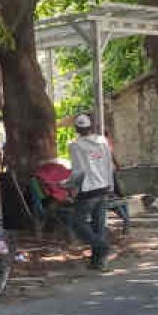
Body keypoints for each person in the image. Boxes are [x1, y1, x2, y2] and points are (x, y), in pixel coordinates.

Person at [64, 113, 115, 270]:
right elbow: (109, 165)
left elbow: (78, 172)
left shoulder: (75, 145)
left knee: (77, 224)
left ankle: (103, 246)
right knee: (98, 226)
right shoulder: (102, 142)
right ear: (91, 127)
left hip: (88, 190)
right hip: (103, 188)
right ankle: (98, 262)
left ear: (77, 128)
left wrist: (67, 185)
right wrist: (110, 186)